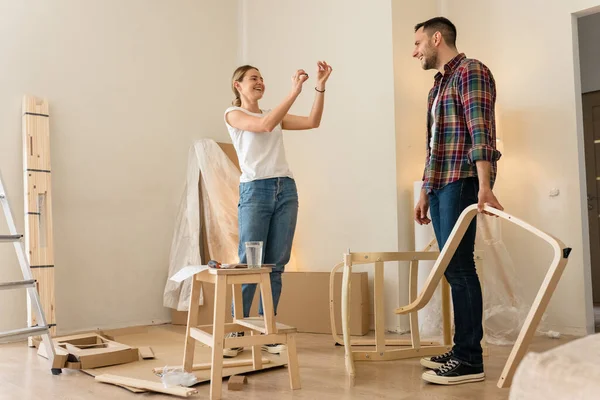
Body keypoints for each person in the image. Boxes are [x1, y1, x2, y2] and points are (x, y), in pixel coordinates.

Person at [412, 17, 503, 385]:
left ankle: (470, 360)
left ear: (437, 38)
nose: (414, 51)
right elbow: (434, 145)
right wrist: (424, 190)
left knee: (460, 268)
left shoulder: (471, 71)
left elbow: (481, 128)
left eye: (418, 42)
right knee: (451, 268)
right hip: (439, 184)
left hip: (462, 181)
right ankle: (460, 348)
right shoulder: (437, 86)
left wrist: (485, 184)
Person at [222, 62, 333, 357]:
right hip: (256, 190)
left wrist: (319, 86)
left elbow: (313, 121)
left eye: (261, 78)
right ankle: (238, 328)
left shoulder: (273, 114)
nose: (259, 82)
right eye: (253, 78)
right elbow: (264, 125)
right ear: (238, 85)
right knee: (250, 264)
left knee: (276, 265)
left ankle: (267, 329)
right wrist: (295, 90)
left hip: (286, 190)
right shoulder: (234, 114)